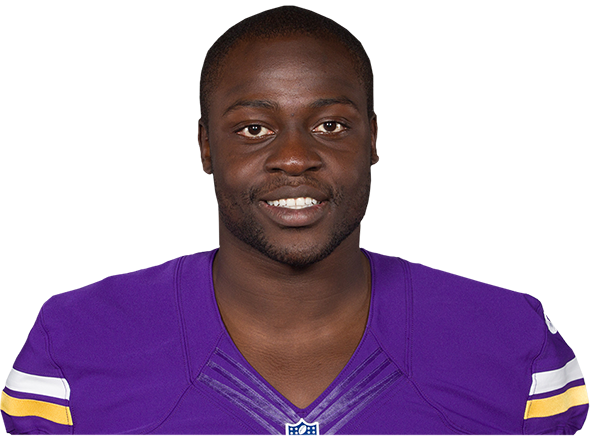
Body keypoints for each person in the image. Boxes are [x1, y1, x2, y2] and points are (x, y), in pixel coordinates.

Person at [0, 7, 589, 435]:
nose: (293, 157)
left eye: (330, 125)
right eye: (254, 128)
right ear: (205, 148)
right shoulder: (75, 343)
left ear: (372, 141)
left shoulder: (512, 340)